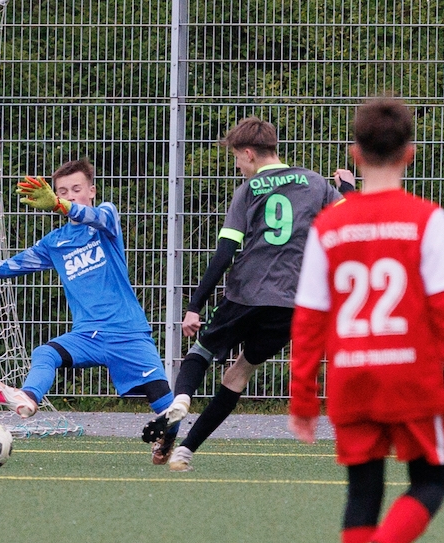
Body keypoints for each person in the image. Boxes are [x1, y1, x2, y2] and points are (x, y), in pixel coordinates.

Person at [288, 96, 444, 543]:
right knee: (431, 482)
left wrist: (303, 399)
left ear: (354, 153)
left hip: (352, 378)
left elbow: (310, 319)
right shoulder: (427, 220)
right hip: (412, 379)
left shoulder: (329, 225)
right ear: (410, 154)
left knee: (363, 491)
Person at [141, 117, 354, 470]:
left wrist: (195, 306)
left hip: (245, 293)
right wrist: (346, 187)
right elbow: (355, 215)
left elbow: (225, 252)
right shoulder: (315, 183)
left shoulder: (249, 190)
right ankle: (185, 450)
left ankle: (181, 400)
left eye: (237, 158)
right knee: (238, 374)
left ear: (250, 153)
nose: (238, 166)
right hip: (291, 304)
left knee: (200, 353)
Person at [0, 159, 176, 462]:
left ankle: (166, 442)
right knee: (45, 353)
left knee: (166, 405)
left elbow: (94, 216)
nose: (70, 195)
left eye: (76, 189)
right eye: (62, 191)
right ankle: (27, 397)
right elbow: (9, 267)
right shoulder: (55, 243)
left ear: (92, 191)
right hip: (87, 336)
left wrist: (60, 205)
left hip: (127, 331)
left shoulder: (106, 219)